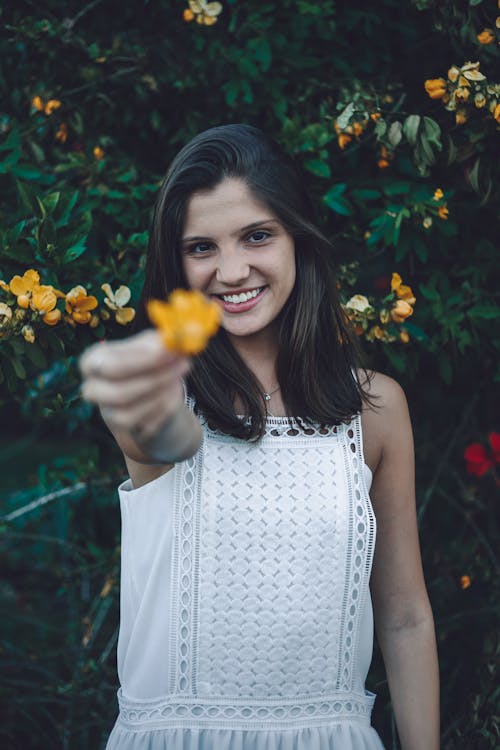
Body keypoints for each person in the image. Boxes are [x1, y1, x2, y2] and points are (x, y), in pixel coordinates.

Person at [80, 124, 440, 750]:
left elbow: (405, 615)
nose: (232, 270)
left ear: (297, 237)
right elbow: (156, 433)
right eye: (201, 248)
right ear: (175, 262)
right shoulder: (163, 394)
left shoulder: (375, 410)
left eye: (256, 235)